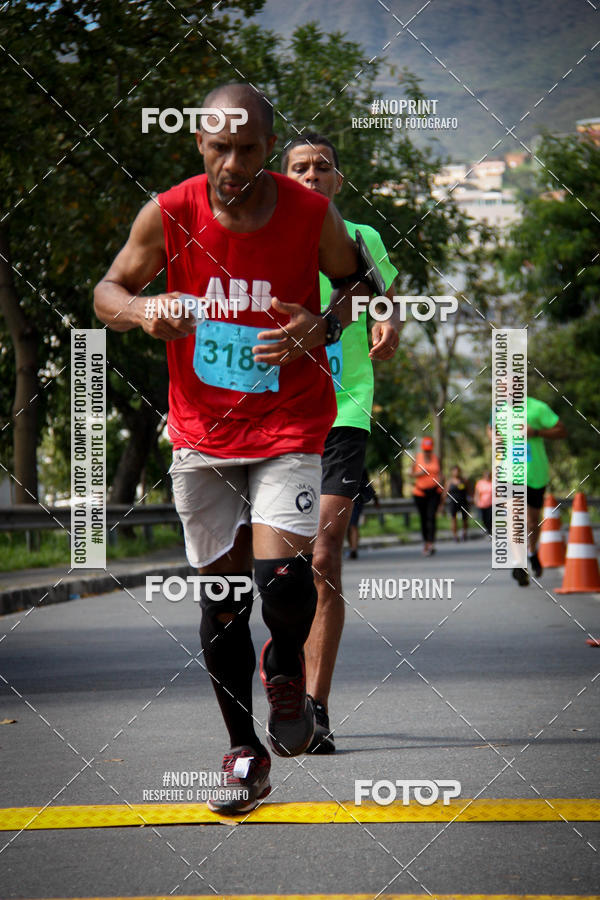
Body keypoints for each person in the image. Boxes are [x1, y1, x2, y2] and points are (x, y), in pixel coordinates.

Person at [94, 83, 373, 814]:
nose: (234, 163)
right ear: (201, 145)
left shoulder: (311, 210)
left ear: (266, 147)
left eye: (249, 148)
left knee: (283, 582)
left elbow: (356, 282)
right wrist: (143, 308)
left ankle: (284, 666)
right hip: (201, 433)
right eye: (220, 148)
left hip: (288, 423)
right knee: (221, 602)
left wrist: (322, 324)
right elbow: (108, 290)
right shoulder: (172, 210)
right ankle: (245, 753)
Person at [282, 133, 400, 753]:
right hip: (273, 415)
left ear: (338, 179)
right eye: (299, 167)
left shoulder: (362, 239)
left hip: (343, 411)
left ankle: (315, 706)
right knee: (279, 568)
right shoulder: (264, 240)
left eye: (322, 167)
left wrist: (386, 318)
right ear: (282, 178)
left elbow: (384, 300)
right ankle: (282, 681)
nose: (311, 175)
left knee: (323, 558)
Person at [488, 396, 566, 586]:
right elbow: (490, 427)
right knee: (515, 518)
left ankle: (532, 552)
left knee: (532, 522)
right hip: (509, 473)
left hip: (535, 474)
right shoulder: (498, 410)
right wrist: (493, 437)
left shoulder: (537, 407)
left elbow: (561, 431)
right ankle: (519, 563)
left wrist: (536, 432)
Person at [411, 436, 443, 556]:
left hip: (434, 492)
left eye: (429, 450)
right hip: (420, 493)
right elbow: (410, 473)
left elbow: (441, 474)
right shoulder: (417, 458)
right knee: (423, 518)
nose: (427, 452)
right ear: (422, 449)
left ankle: (431, 543)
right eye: (425, 450)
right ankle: (425, 542)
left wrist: (442, 488)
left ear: (432, 449)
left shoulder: (436, 458)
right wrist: (419, 473)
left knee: (431, 517)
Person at [347, 469, 379, 560]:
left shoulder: (360, 466)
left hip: (355, 499)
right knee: (350, 526)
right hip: (346, 498)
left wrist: (375, 498)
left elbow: (367, 482)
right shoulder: (341, 463)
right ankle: (352, 548)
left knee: (352, 525)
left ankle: (353, 549)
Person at [443, 465, 470, 542]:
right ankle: (455, 535)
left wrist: (472, 499)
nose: (456, 472)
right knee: (453, 519)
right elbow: (445, 493)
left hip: (463, 501)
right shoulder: (449, 482)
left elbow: (469, 491)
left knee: (465, 519)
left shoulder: (464, 481)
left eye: (457, 471)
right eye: (454, 471)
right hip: (453, 503)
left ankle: (464, 534)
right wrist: (442, 503)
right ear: (452, 472)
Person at [474, 470, 493, 535]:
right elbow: (477, 493)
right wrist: (476, 500)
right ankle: (487, 529)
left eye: (488, 475)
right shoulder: (480, 483)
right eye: (486, 475)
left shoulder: (493, 482)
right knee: (483, 518)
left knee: (490, 518)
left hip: (491, 504)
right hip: (482, 504)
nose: (487, 477)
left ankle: (489, 530)